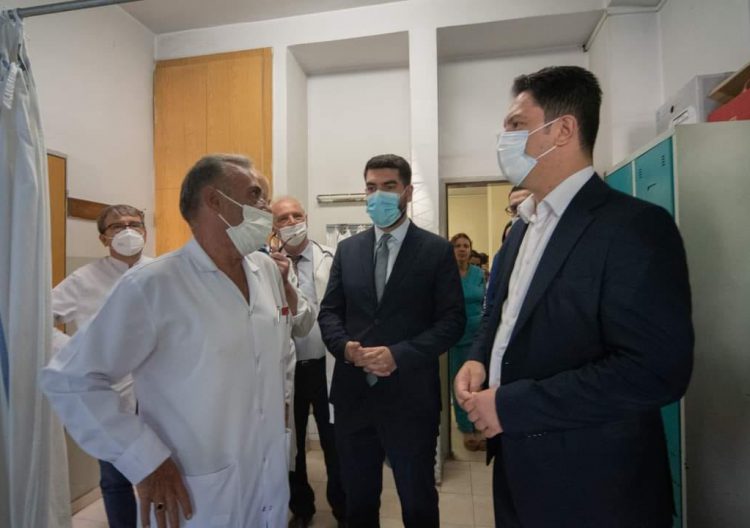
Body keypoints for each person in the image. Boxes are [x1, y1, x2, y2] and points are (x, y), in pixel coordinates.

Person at [454, 65, 693, 528]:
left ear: (562, 130)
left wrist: (510, 406)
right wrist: (479, 359)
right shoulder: (522, 229)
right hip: (516, 469)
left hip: (592, 486)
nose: (504, 139)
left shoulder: (633, 228)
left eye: (516, 125)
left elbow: (655, 371)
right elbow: (502, 317)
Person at [42, 154, 316, 527]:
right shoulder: (153, 285)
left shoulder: (266, 270)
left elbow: (276, 351)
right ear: (215, 200)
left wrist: (278, 404)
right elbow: (72, 378)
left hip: (266, 478)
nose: (266, 208)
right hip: (197, 489)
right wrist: (145, 460)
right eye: (256, 195)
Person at [318, 153, 465, 527]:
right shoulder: (348, 250)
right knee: (358, 503)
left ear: (407, 192)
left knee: (418, 503)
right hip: (354, 398)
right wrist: (345, 347)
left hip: (410, 400)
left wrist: (400, 354)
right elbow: (329, 311)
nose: (378, 195)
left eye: (388, 186)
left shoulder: (435, 250)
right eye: (371, 187)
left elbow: (452, 322)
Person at [51, 204, 151, 528]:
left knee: (163, 472)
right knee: (115, 477)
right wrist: (74, 351)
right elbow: (41, 316)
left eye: (135, 224)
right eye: (117, 226)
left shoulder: (161, 272)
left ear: (145, 231)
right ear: (103, 238)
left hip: (160, 390)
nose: (128, 231)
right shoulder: (84, 279)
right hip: (110, 394)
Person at [270, 196, 347, 528]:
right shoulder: (265, 265)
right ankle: (301, 507)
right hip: (286, 371)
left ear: (306, 218)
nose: (291, 223)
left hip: (326, 366)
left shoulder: (331, 258)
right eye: (283, 218)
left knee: (335, 442)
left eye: (296, 216)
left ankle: (342, 508)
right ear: (273, 227)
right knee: (292, 444)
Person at [448, 233, 486, 452]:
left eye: (466, 245)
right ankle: (466, 428)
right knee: (459, 382)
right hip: (455, 334)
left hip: (478, 334)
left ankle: (479, 424)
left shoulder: (479, 273)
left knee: (477, 383)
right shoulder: (446, 274)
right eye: (457, 246)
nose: (462, 249)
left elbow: (486, 301)